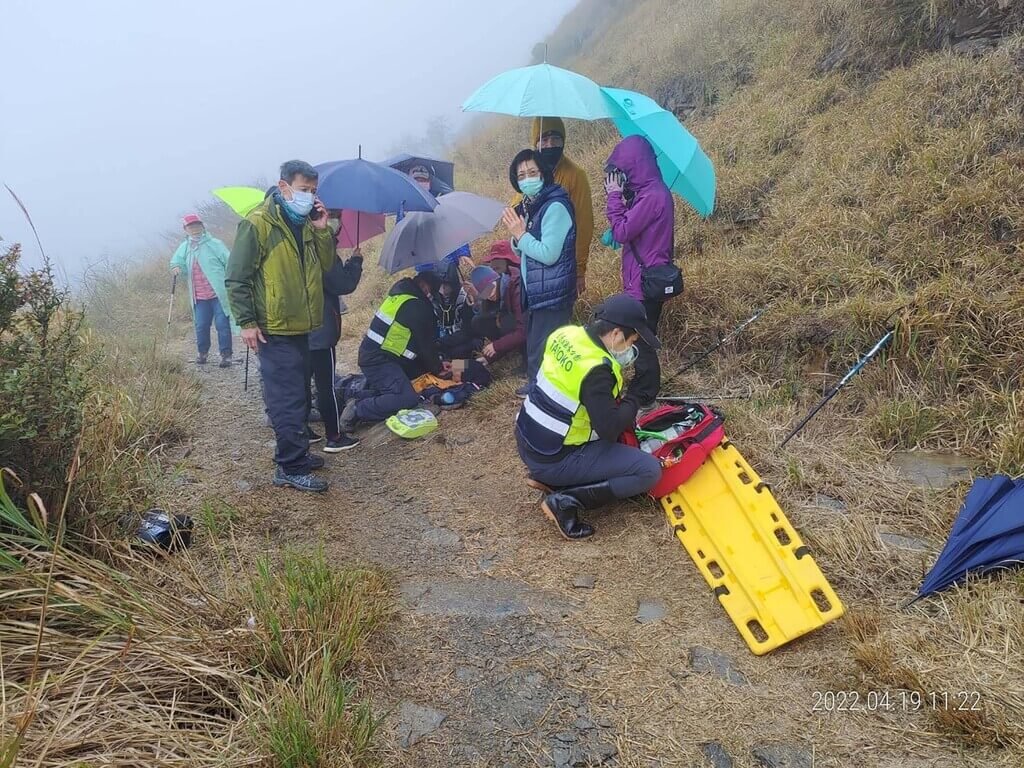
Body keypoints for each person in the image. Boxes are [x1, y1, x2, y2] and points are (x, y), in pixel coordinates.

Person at [226, 160, 336, 493]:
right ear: (284, 186)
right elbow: (237, 278)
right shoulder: (258, 224)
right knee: (287, 399)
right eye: (304, 190)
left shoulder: (304, 223)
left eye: (313, 191)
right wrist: (246, 321)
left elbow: (327, 266)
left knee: (300, 394)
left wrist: (322, 231)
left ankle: (291, 453)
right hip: (273, 328)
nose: (309, 196)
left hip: (301, 326)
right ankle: (291, 467)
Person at [515, 294, 662, 541]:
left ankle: (553, 479)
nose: (631, 348)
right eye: (632, 340)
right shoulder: (597, 370)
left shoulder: (566, 334)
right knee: (648, 471)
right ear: (616, 334)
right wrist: (636, 396)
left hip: (529, 439)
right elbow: (609, 428)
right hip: (553, 458)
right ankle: (565, 500)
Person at [604, 135, 676, 408]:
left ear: (635, 165)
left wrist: (614, 198)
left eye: (623, 169)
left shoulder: (652, 195)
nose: (619, 177)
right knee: (640, 335)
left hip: (644, 281)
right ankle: (643, 388)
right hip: (646, 277)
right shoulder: (649, 193)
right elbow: (632, 231)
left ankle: (646, 395)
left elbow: (624, 231)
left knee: (641, 339)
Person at [503, 149, 577, 397]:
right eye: (521, 175)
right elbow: (524, 249)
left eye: (532, 172)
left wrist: (520, 235)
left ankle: (544, 394)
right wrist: (518, 237)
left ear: (544, 174)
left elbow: (548, 253)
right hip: (537, 289)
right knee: (537, 345)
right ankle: (539, 389)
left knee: (546, 347)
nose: (527, 179)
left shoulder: (555, 206)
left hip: (552, 290)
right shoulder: (533, 206)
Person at [339, 270, 448, 434]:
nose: (432, 297)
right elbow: (426, 346)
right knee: (406, 398)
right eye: (433, 292)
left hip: (381, 356)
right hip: (380, 360)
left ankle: (359, 398)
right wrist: (439, 368)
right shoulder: (416, 305)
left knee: (400, 389)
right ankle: (358, 409)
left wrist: (437, 364)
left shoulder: (401, 295)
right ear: (425, 287)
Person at [513, 117, 594, 298]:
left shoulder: (575, 175)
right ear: (535, 143)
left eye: (556, 139)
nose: (550, 145)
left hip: (562, 267)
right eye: (544, 139)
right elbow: (518, 211)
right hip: (533, 268)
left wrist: (580, 269)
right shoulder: (530, 175)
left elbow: (584, 223)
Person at [308, 242, 363, 454]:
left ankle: (302, 431)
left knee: (302, 381)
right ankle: (334, 436)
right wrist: (355, 261)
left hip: (297, 328)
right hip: (320, 329)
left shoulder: (294, 244)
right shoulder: (322, 249)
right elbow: (343, 284)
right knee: (326, 385)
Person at [169, 214, 235, 367]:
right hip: (199, 296)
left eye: (197, 225)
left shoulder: (215, 244)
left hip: (218, 294)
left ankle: (226, 355)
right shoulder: (185, 247)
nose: (194, 228)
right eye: (190, 226)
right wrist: (176, 268)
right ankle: (202, 353)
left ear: (202, 226)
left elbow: (229, 262)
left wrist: (231, 282)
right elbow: (176, 262)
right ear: (185, 229)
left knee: (222, 325)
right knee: (201, 325)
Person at [469, 241, 526, 365]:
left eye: (491, 289)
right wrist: (490, 357)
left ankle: (522, 351)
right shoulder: (495, 287)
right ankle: (508, 347)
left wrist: (497, 346)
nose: (490, 296)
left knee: (506, 322)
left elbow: (524, 330)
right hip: (510, 332)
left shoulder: (515, 286)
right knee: (479, 320)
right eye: (486, 293)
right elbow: (483, 314)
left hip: (527, 329)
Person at [433, 259, 477, 358]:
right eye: (440, 285)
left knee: (458, 353)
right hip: (446, 340)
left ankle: (463, 366)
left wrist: (441, 342)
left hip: (467, 339)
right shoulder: (435, 300)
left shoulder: (465, 298)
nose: (443, 290)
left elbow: (467, 332)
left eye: (446, 285)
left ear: (453, 283)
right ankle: (449, 367)